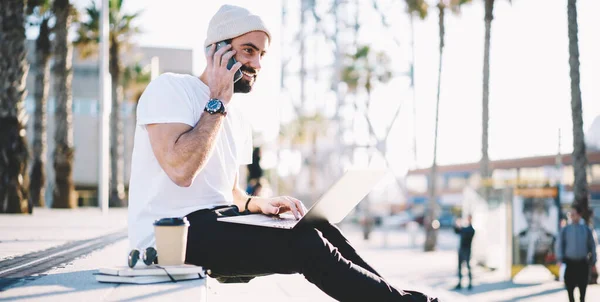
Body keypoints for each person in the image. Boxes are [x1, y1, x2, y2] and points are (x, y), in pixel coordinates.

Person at [127, 4, 437, 302]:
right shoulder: (171, 89)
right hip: (169, 237)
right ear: (216, 50)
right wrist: (218, 101)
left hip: (220, 222)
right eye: (249, 50)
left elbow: (226, 192)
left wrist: (258, 203)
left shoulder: (235, 118)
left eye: (261, 54)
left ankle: (402, 299)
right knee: (305, 244)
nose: (258, 64)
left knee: (320, 229)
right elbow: (181, 171)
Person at [557, 205, 597, 302]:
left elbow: (592, 245)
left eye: (574, 214)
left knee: (582, 293)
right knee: (570, 291)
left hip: (582, 264)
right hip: (570, 263)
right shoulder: (566, 229)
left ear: (579, 215)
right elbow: (560, 244)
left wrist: (593, 261)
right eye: (571, 214)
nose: (572, 216)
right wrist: (560, 258)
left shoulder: (586, 229)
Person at [453, 214, 475, 290]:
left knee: (468, 267)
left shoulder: (471, 229)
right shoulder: (465, 228)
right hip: (461, 250)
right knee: (460, 267)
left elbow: (464, 233)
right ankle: (460, 283)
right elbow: (456, 231)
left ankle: (470, 283)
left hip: (467, 250)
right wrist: (456, 224)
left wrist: (460, 227)